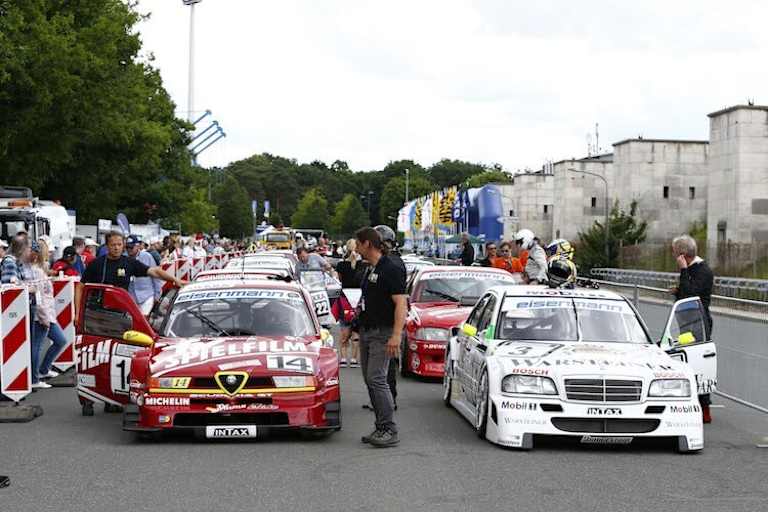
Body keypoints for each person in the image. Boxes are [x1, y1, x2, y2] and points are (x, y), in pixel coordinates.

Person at [355, 226, 407, 448]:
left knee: (377, 378)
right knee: (370, 379)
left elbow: (401, 304)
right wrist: (353, 327)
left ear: (368, 244)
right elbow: (366, 303)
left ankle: (389, 428)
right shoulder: (371, 268)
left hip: (383, 333)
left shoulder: (391, 267)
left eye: (358, 244)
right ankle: (380, 426)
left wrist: (396, 335)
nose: (356, 248)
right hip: (368, 331)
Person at [669, 234, 714, 424]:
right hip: (688, 321)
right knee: (686, 360)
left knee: (698, 362)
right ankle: (690, 402)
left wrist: (683, 271)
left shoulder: (702, 270)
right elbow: (685, 293)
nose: (673, 257)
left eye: (675, 254)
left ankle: (705, 407)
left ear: (683, 255)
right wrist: (677, 291)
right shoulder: (692, 269)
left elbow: (691, 294)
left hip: (699, 323)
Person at [81, 231, 185, 292]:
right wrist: (77, 312)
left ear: (123, 246)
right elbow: (81, 285)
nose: (116, 248)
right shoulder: (96, 263)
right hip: (98, 312)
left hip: (120, 310)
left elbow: (155, 271)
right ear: (107, 246)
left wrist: (174, 279)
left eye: (119, 244)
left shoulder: (129, 262)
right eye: (113, 245)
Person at [28, 242, 69, 386]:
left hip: (45, 314)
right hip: (43, 315)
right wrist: (44, 317)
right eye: (48, 251)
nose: (51, 254)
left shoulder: (37, 270)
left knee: (57, 341)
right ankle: (35, 378)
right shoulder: (37, 271)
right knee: (38, 346)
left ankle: (42, 370)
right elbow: (39, 297)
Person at [334, 239, 369, 368]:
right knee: (356, 331)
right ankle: (354, 358)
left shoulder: (341, 265)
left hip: (345, 299)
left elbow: (340, 279)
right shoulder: (363, 265)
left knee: (344, 329)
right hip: (359, 298)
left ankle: (343, 358)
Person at [125, 235, 162, 316]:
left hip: (147, 296)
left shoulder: (147, 256)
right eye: (127, 247)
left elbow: (155, 276)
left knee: (143, 321)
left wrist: (157, 295)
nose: (129, 250)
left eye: (131, 247)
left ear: (137, 246)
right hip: (130, 298)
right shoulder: (124, 258)